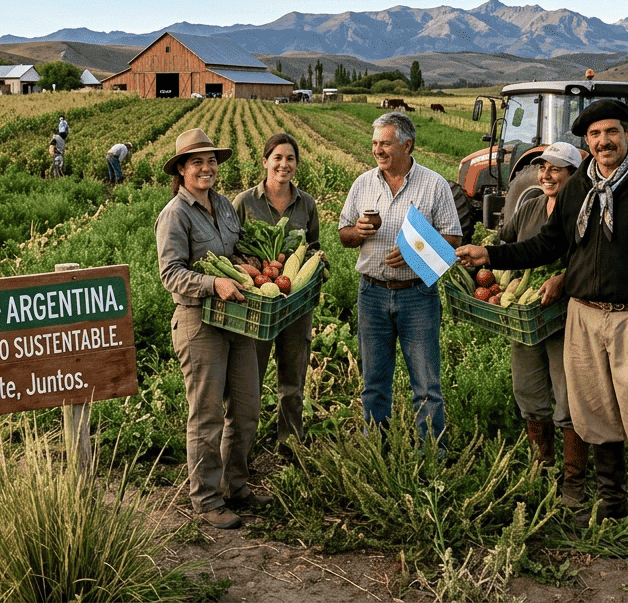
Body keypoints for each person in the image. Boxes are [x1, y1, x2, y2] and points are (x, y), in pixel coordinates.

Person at [454, 99, 628, 557]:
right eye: (594, 135)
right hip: (585, 317)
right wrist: (489, 255)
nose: (603, 141)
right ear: (585, 143)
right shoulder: (577, 191)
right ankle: (613, 502)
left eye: (611, 132)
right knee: (596, 413)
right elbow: (545, 245)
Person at [155, 128, 268, 530]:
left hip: (235, 318)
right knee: (206, 416)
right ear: (182, 170)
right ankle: (205, 499)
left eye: (211, 161)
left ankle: (235, 486)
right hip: (198, 322)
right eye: (197, 162)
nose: (206, 168)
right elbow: (171, 274)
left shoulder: (222, 204)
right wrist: (212, 284)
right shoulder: (175, 214)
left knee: (246, 407)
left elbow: (231, 251)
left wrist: (244, 265)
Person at [339, 111, 460, 442]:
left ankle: (431, 459)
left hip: (417, 295)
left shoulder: (434, 184)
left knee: (426, 385)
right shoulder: (363, 183)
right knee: (374, 384)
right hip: (372, 294)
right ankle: (377, 450)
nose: (378, 150)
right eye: (375, 143)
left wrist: (414, 250)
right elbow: (343, 234)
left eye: (386, 143)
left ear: (408, 145)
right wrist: (357, 232)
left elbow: (453, 239)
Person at [494, 142, 589, 506]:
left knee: (567, 397)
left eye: (556, 170)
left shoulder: (582, 211)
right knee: (529, 392)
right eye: (543, 168)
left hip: (564, 317)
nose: (546, 175)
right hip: (526, 315)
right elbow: (507, 243)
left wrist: (563, 278)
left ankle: (573, 482)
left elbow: (592, 258)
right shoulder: (530, 206)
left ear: (572, 175)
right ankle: (542, 469)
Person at [232, 132, 320, 448]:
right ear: (266, 161)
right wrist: (253, 269)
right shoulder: (244, 202)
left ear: (296, 164)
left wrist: (308, 272)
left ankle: (290, 446)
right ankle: (242, 451)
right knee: (247, 383)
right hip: (257, 303)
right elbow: (232, 250)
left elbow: (313, 247)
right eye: (278, 158)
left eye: (290, 158)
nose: (284, 164)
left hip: (295, 305)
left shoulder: (306, 203)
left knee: (293, 383)